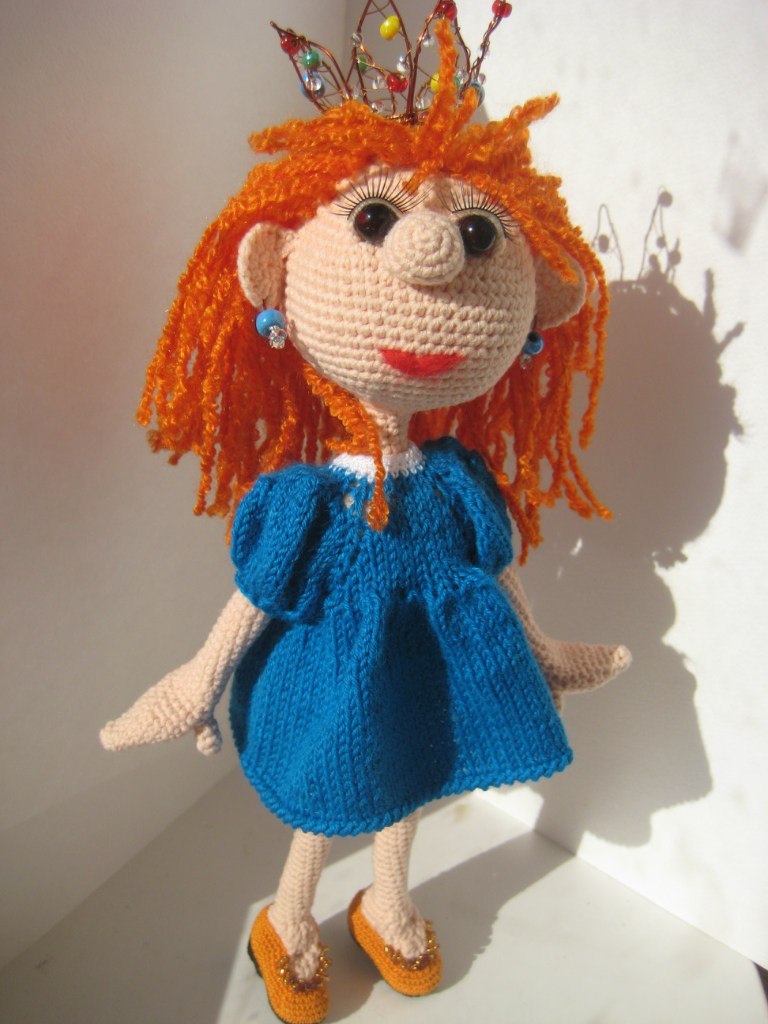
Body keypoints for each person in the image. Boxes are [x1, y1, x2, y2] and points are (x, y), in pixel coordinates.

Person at [101, 13, 630, 1024]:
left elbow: (495, 568)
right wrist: (198, 680)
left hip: (427, 672)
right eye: (380, 223)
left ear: (534, 316)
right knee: (332, 790)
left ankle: (386, 901)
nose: (433, 258)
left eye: (478, 238)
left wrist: (541, 650)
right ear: (276, 276)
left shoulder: (458, 479)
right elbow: (256, 595)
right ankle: (288, 917)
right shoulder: (310, 499)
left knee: (417, 773)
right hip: (336, 680)